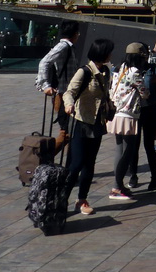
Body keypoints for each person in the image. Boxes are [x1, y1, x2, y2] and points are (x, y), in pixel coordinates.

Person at [63, 37, 115, 216]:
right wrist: (68, 104)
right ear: (102, 52)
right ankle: (62, 200)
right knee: (76, 164)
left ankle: (82, 200)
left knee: (90, 164)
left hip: (97, 124)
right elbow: (69, 92)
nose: (111, 54)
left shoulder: (106, 71)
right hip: (82, 122)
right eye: (109, 51)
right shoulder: (84, 72)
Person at [106, 43, 151, 200]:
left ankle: (117, 185)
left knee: (119, 149)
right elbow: (144, 93)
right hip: (128, 114)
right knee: (128, 151)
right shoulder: (135, 72)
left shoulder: (119, 69)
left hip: (116, 113)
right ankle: (117, 187)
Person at [35, 20, 80, 154]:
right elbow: (44, 62)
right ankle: (43, 160)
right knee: (66, 132)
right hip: (63, 94)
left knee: (70, 132)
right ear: (74, 33)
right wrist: (45, 85)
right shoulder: (63, 47)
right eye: (78, 32)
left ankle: (69, 167)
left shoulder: (68, 47)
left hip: (67, 94)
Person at [127, 42, 156, 189]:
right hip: (134, 111)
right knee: (133, 145)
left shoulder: (152, 69)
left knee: (149, 145)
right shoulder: (128, 70)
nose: (145, 58)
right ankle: (133, 175)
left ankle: (155, 176)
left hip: (150, 110)